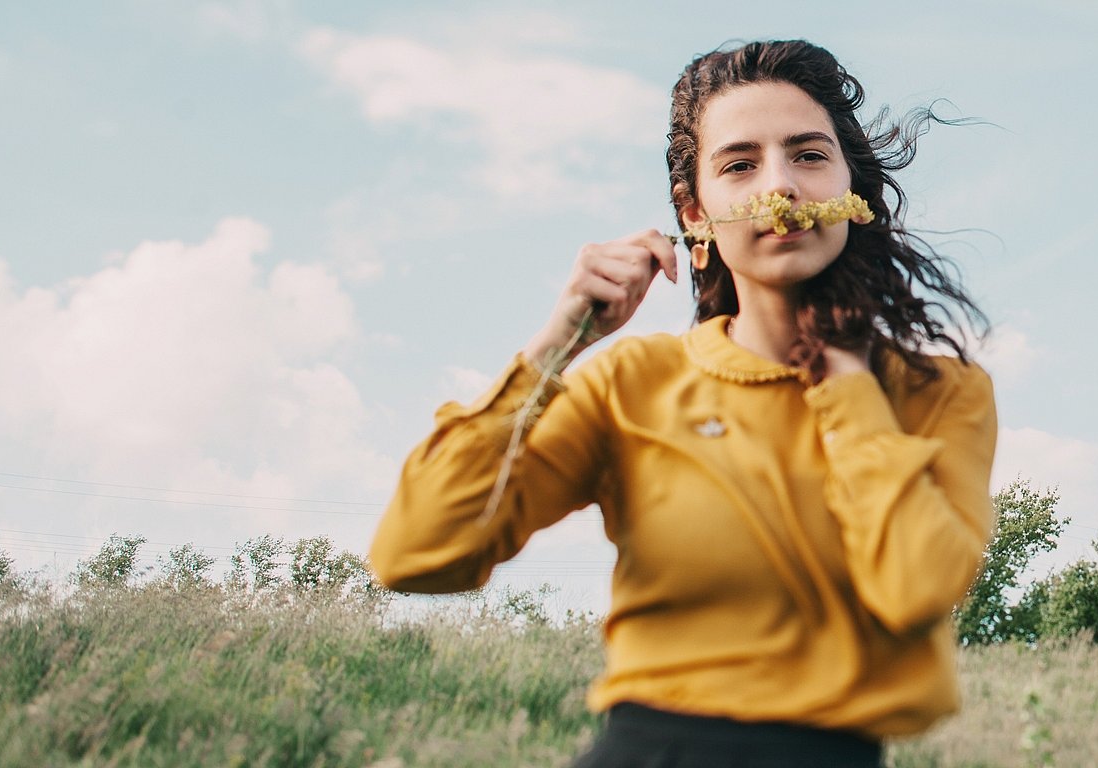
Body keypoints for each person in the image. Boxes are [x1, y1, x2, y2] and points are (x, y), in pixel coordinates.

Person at [369, 39, 997, 767]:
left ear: (850, 188)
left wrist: (849, 382)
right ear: (695, 212)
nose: (781, 186)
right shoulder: (631, 383)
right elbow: (417, 554)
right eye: (740, 165)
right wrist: (557, 344)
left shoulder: (939, 393)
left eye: (809, 155)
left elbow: (917, 587)